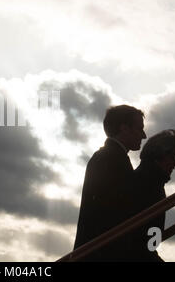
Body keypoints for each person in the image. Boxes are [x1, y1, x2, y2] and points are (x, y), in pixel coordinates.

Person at [73, 105, 146, 261]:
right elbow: (113, 213)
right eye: (139, 129)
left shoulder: (106, 157)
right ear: (124, 128)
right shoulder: (112, 160)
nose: (143, 135)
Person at [129, 129, 175, 262]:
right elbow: (140, 243)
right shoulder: (147, 185)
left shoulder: (151, 183)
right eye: (173, 157)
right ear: (160, 155)